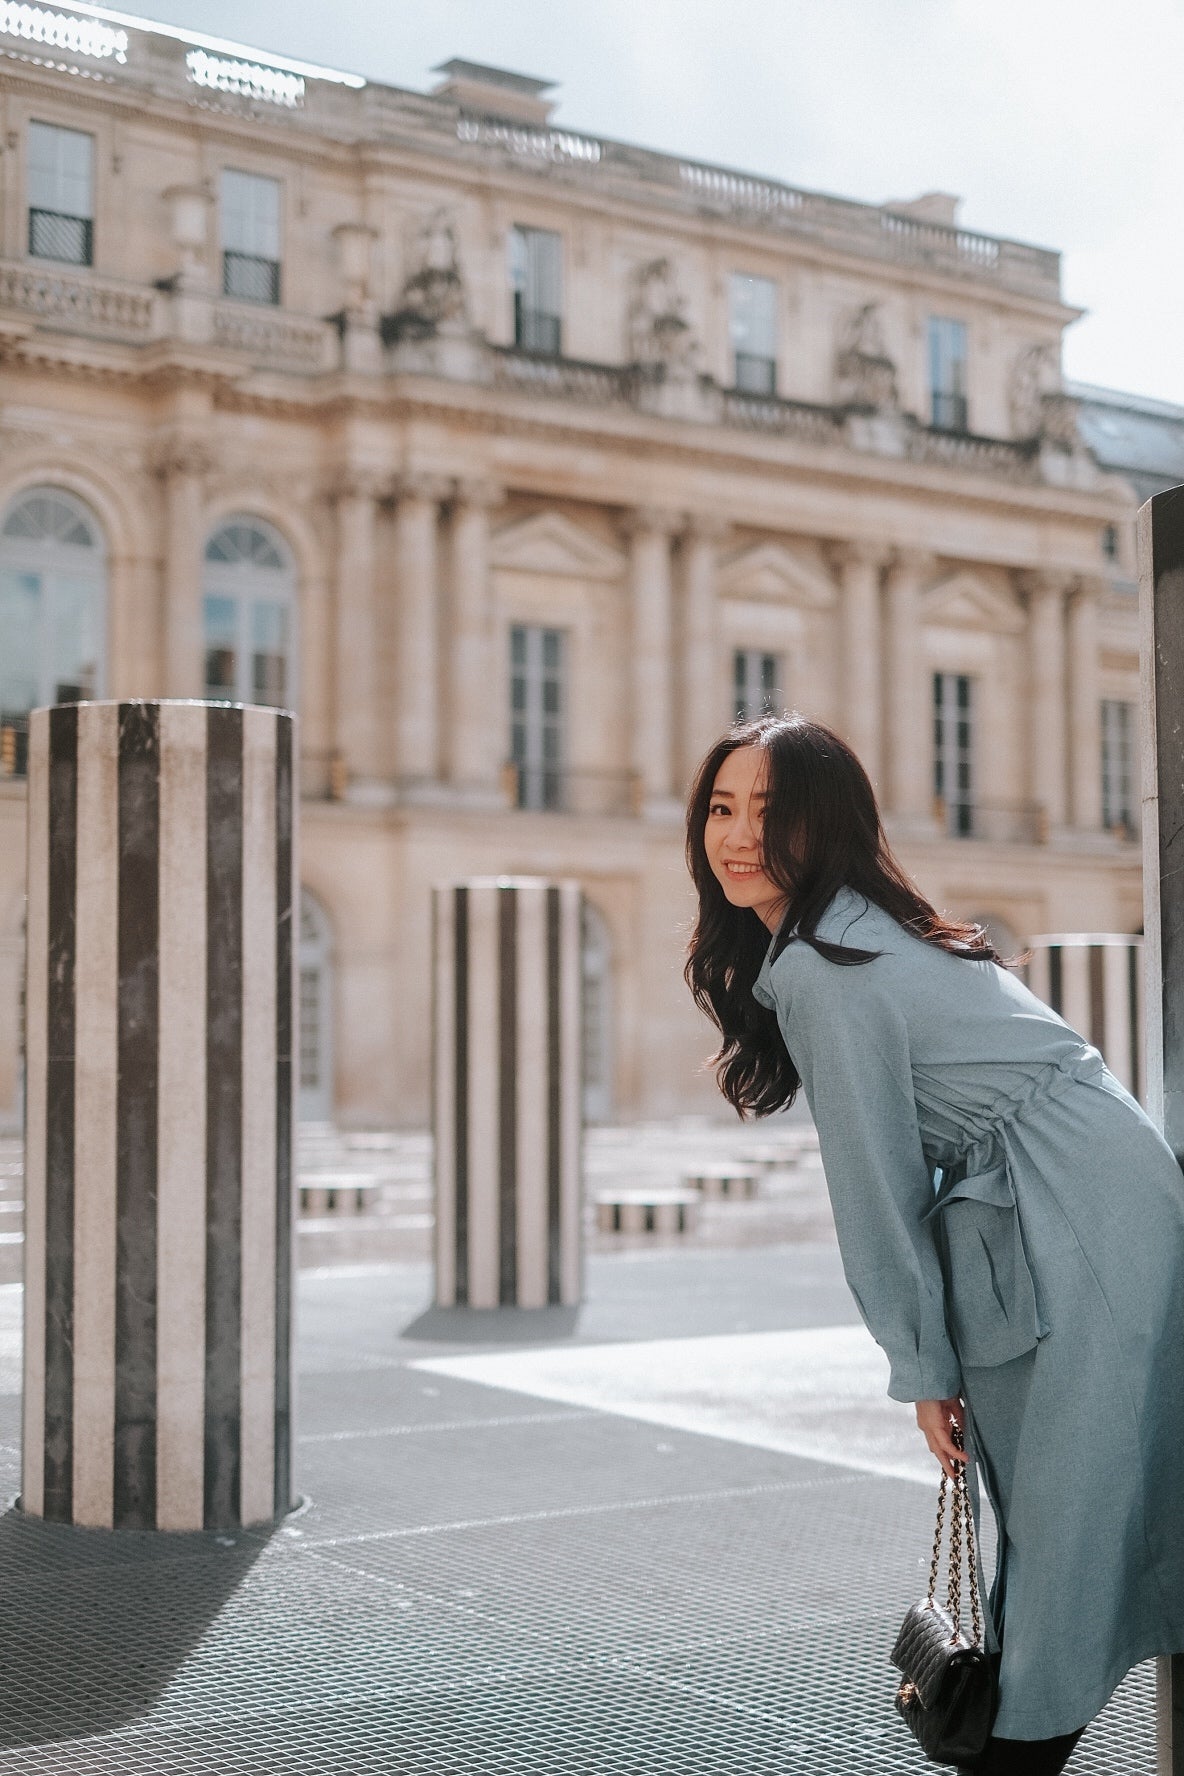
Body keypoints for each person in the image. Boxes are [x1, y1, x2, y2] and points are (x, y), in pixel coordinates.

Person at [684, 713, 1184, 1776]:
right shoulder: (849, 931)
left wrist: (919, 1366)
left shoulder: (828, 967)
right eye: (721, 808)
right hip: (1081, 1181)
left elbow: (873, 1191)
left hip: (1074, 1202)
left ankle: (1016, 1747)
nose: (736, 836)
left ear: (828, 829)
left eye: (770, 813)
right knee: (1084, 1497)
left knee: (1066, 1512)